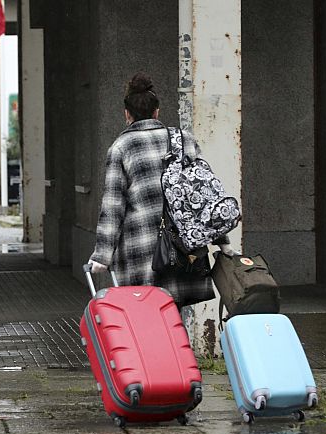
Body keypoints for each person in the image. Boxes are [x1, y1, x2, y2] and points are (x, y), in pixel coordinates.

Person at [87, 72, 234, 308]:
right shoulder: (183, 140)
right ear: (157, 111)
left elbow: (113, 207)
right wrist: (221, 240)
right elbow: (203, 196)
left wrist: (102, 257)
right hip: (183, 248)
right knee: (172, 319)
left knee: (144, 317)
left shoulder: (121, 147)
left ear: (127, 114)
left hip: (142, 251)